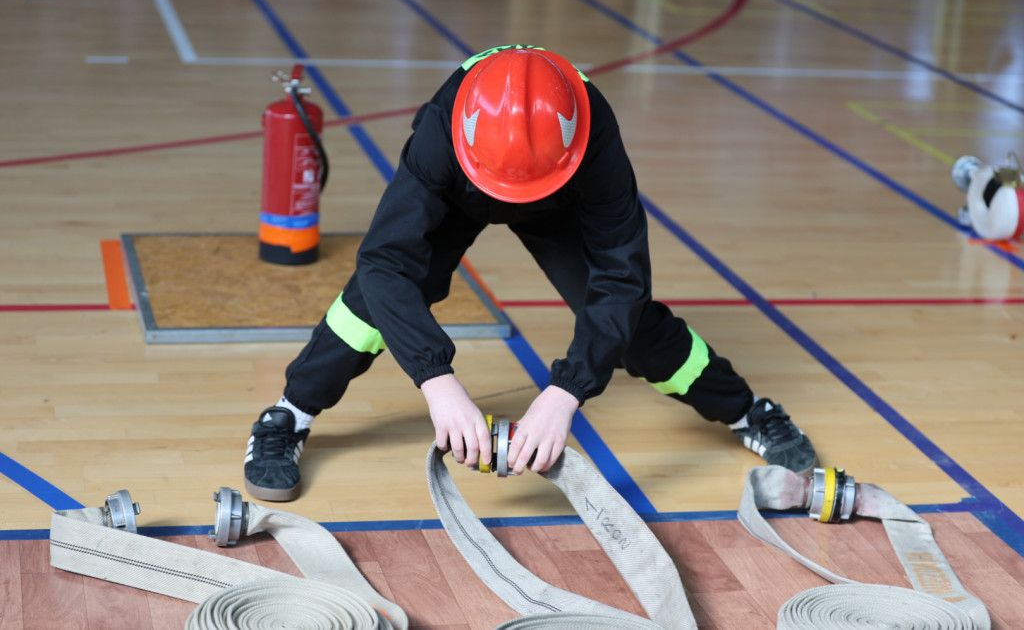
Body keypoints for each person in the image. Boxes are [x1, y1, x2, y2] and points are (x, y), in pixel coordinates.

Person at [243, 45, 818, 502]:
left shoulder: (595, 143)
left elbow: (621, 280)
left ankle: (747, 412)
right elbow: (383, 260)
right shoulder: (444, 130)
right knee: (375, 299)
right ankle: (288, 414)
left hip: (557, 198)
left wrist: (566, 393)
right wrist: (435, 380)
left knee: (632, 325)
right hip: (464, 189)